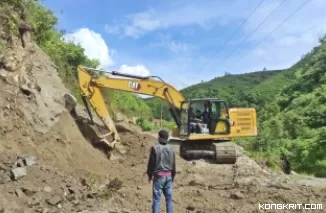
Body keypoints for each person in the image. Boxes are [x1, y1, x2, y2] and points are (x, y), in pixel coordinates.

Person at [147, 129, 176, 213]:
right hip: (169, 176)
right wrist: (173, 176)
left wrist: (150, 175)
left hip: (159, 177)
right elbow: (173, 165)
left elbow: (151, 164)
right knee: (169, 200)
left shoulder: (155, 148)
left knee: (156, 200)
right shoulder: (171, 149)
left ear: (159, 137)